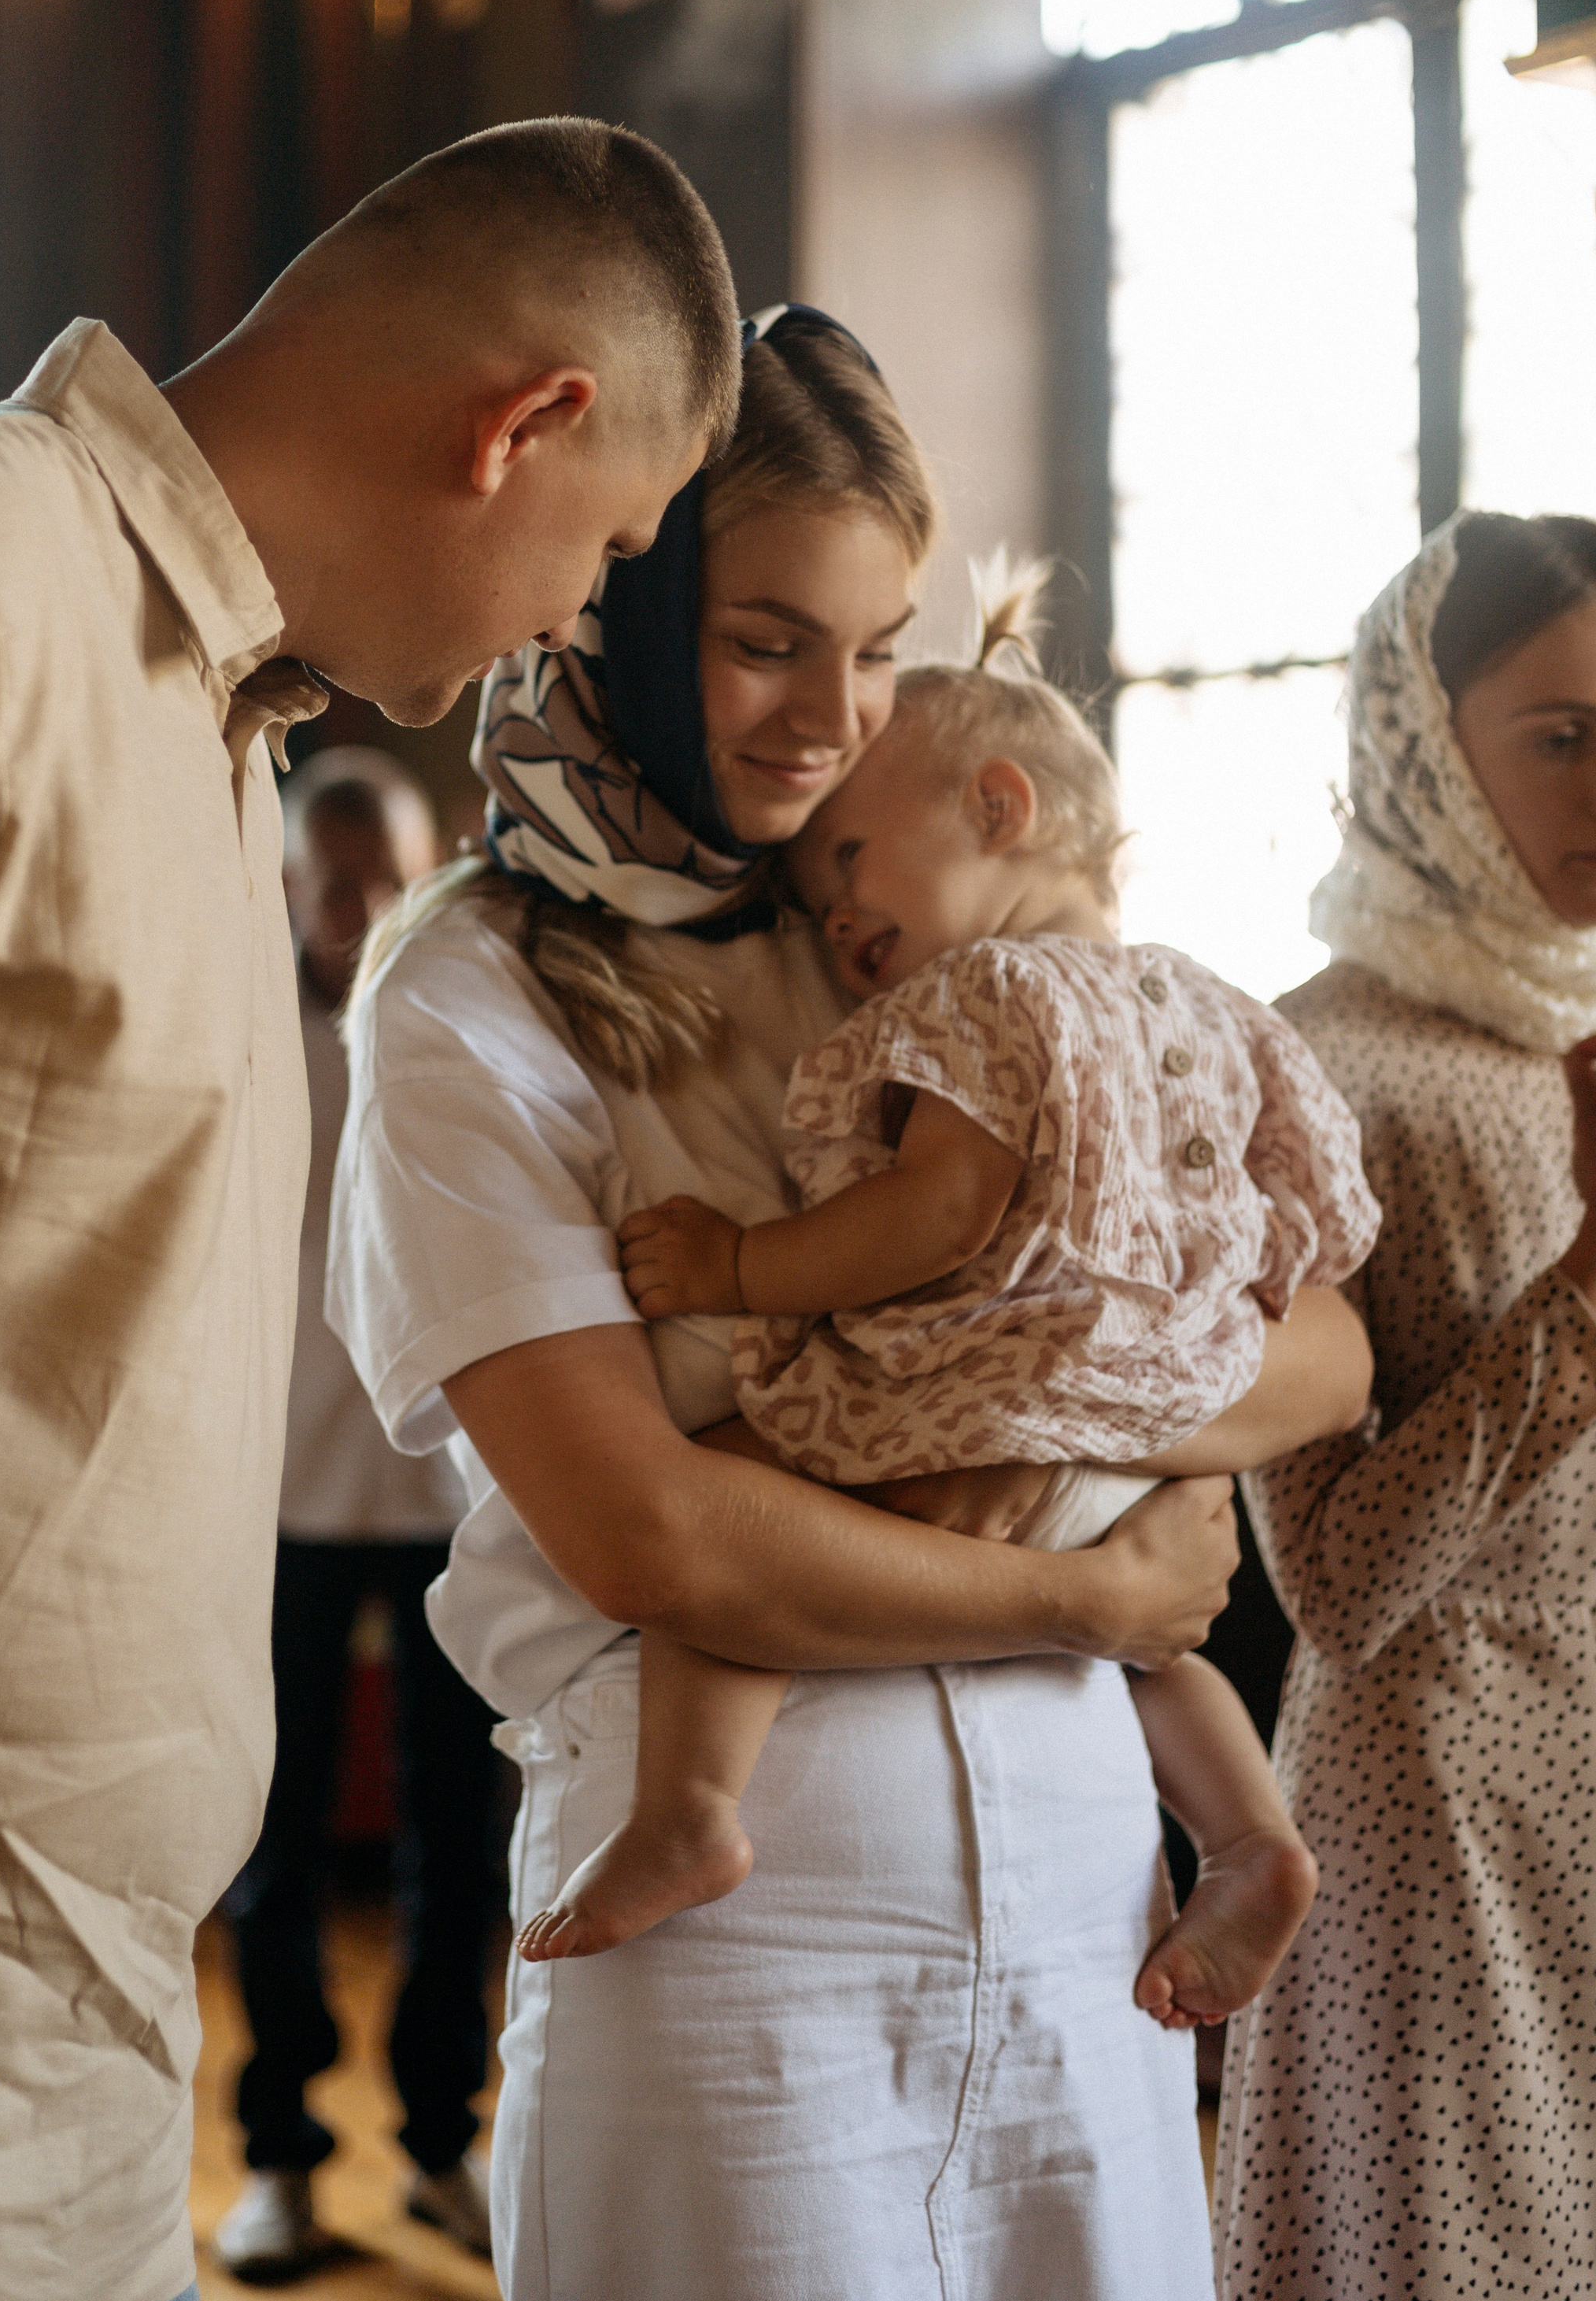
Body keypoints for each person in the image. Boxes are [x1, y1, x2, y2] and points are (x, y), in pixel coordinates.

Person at [0, 118, 736, 2301]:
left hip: (90, 2120)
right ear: (521, 421)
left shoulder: (226, 727)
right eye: (609, 544)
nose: (574, 620)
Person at [328, 305, 1372, 2301]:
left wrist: (1064, 1397)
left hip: (1096, 1900)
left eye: (881, 647)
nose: (833, 722)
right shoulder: (472, 988)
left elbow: (1330, 1350)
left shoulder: (928, 909)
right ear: (616, 602)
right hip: (743, 1926)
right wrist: (1096, 1578)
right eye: (767, 641)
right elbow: (653, 1525)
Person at [520, 592, 1379, 2037]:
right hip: (1153, 1415)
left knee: (730, 1499)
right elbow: (1315, 1212)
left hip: (982, 1388)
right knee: (1145, 1640)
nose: (836, 907)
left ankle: (687, 1808)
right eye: (813, 893)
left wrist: (740, 1265)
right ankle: (1247, 1838)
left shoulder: (981, 994)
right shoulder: (1209, 1001)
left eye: (850, 854)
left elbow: (936, 1213)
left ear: (998, 804)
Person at [1214, 510, 1596, 2301]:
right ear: (1421, 744)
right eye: (1557, 734)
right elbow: (1329, 1584)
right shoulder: (1315, 1071)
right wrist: (1595, 1276)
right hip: (1436, 1867)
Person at [215, 747, 502, 2282]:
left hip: (455, 1499)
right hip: (278, 1506)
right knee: (270, 1844)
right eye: (337, 887)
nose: (365, 909)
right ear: (292, 891)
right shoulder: (248, 1038)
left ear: (429, 867)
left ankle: (445, 2141)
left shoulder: (467, 1034)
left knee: (457, 1848)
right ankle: (278, 2155)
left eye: (388, 880)